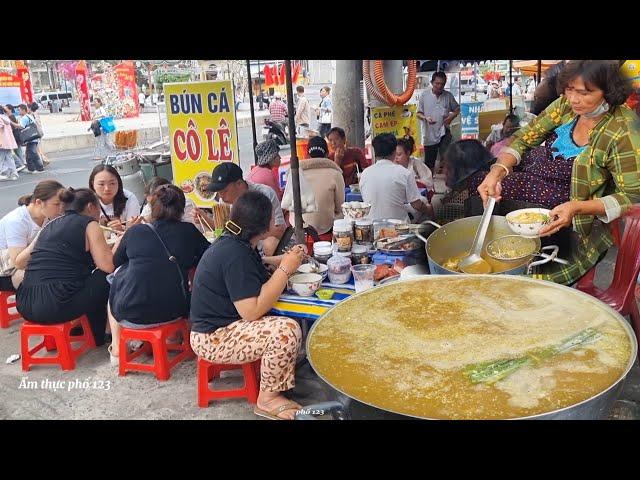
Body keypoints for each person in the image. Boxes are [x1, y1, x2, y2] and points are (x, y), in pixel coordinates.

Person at [475, 60, 640, 285]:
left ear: (608, 92)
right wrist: (498, 171)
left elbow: (631, 197)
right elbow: (524, 138)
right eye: (569, 89)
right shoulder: (565, 106)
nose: (573, 99)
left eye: (584, 93)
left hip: (577, 226)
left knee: (527, 281)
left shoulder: (623, 131)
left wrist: (577, 208)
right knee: (478, 197)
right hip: (536, 194)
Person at [189, 190, 305, 420]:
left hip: (221, 326)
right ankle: (268, 399)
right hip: (214, 337)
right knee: (286, 331)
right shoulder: (234, 254)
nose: (275, 221)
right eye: (272, 217)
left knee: (282, 319)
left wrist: (282, 260)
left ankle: (278, 377)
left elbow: (254, 265)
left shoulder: (235, 242)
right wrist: (285, 269)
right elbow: (251, 311)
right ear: (262, 229)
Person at [107, 184, 210, 364]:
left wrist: (127, 231)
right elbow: (208, 259)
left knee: (117, 276)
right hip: (174, 311)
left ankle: (117, 346)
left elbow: (115, 263)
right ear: (181, 208)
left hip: (129, 313)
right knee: (191, 270)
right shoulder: (189, 231)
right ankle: (179, 336)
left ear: (152, 207)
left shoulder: (136, 231)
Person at [16, 188, 118, 346]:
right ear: (91, 206)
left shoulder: (49, 225)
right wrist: (120, 243)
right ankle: (104, 333)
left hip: (25, 303)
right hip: (56, 304)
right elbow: (108, 266)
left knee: (85, 278)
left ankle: (89, 330)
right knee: (108, 277)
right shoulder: (90, 224)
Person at [205, 162, 286, 256]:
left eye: (225, 191)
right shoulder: (224, 203)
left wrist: (251, 235)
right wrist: (203, 218)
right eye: (218, 192)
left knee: (271, 243)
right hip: (237, 248)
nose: (221, 196)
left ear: (239, 183)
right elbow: (221, 229)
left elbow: (280, 230)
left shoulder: (264, 194)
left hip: (262, 248)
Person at [0, 180, 65, 291]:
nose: (61, 209)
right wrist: (41, 237)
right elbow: (18, 263)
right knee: (52, 277)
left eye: (63, 204)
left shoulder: (48, 215)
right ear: (38, 202)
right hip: (7, 271)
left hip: (34, 263)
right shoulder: (17, 221)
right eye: (56, 204)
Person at [360, 133, 433, 222]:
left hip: (371, 226)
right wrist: (428, 209)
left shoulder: (365, 174)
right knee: (424, 207)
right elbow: (416, 205)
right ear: (394, 151)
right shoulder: (404, 173)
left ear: (375, 152)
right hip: (399, 229)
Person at [289, 136, 345, 234]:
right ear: (327, 154)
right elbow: (340, 207)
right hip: (326, 228)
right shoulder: (335, 173)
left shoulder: (294, 172)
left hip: (298, 226)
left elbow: (289, 203)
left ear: (307, 154)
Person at [417, 71, 460, 171]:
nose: (439, 86)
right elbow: (418, 113)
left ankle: (448, 179)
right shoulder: (424, 95)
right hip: (430, 134)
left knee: (448, 160)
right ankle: (429, 183)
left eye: (442, 84)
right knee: (429, 164)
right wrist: (425, 118)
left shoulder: (448, 96)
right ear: (432, 83)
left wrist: (452, 116)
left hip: (444, 132)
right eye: (437, 83)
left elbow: (457, 108)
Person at [89, 164, 142, 232]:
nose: (107, 188)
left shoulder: (129, 199)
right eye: (101, 184)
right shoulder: (87, 201)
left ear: (118, 183)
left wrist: (122, 229)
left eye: (112, 183)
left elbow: (133, 231)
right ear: (92, 184)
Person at [17, 104, 44, 174]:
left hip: (30, 138)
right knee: (29, 154)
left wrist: (13, 123)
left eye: (19, 110)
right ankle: (31, 169)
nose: (18, 111)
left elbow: (21, 127)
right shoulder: (29, 116)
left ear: (23, 110)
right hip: (33, 137)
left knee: (33, 154)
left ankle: (39, 168)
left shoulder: (24, 118)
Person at [4, 105, 26, 172]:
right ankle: (22, 165)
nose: (4, 109)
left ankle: (22, 165)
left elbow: (13, 128)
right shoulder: (9, 117)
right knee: (17, 151)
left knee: (16, 152)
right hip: (14, 137)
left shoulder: (11, 117)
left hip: (14, 137)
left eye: (6, 108)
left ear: (10, 109)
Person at [0, 110, 20, 180]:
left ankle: (2, 174)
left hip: (2, 142)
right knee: (9, 158)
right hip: (8, 141)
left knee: (1, 158)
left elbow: (0, 130)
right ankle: (14, 174)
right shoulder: (5, 117)